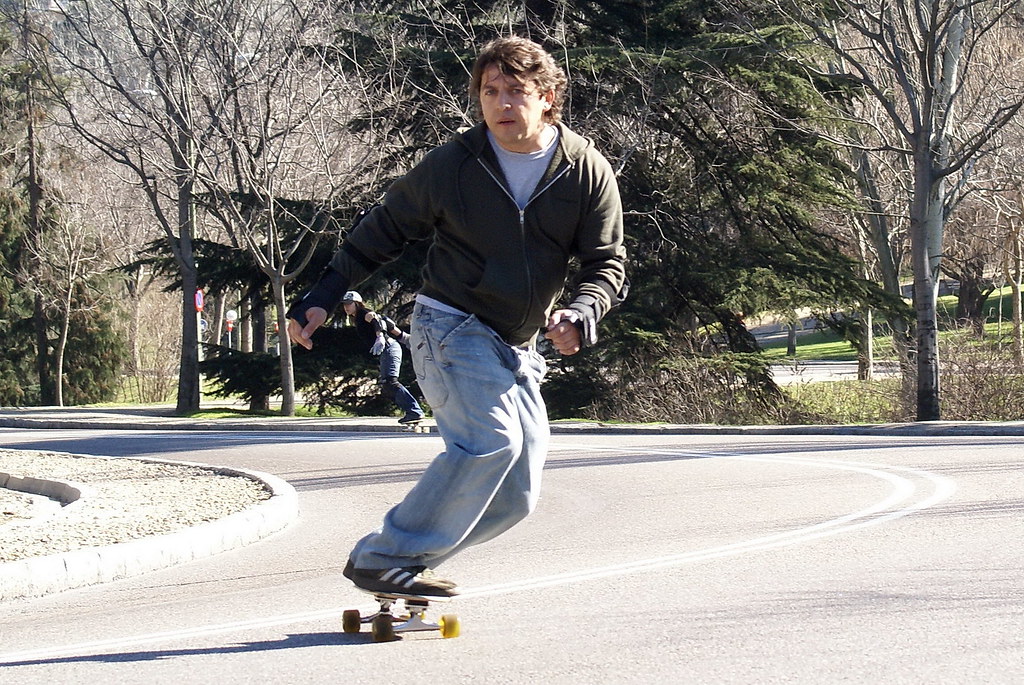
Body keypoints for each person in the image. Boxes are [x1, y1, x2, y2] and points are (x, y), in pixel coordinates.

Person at [286, 35, 627, 597]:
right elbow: (383, 231)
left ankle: (406, 562)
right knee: (491, 444)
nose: (500, 103)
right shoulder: (456, 164)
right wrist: (323, 294)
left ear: (546, 97)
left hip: (518, 345)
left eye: (515, 91)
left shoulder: (584, 170)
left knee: (517, 494)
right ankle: (384, 556)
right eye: (489, 91)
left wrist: (582, 311)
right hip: (451, 325)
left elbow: (605, 261)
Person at [339, 290, 424, 425]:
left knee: (390, 382)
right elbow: (386, 322)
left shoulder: (364, 313)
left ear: (357, 303)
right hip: (389, 348)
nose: (346, 307)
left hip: (389, 347)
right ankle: (413, 411)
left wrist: (380, 336)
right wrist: (404, 338)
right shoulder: (358, 317)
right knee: (387, 383)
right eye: (344, 304)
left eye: (349, 304)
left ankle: (414, 411)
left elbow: (376, 320)